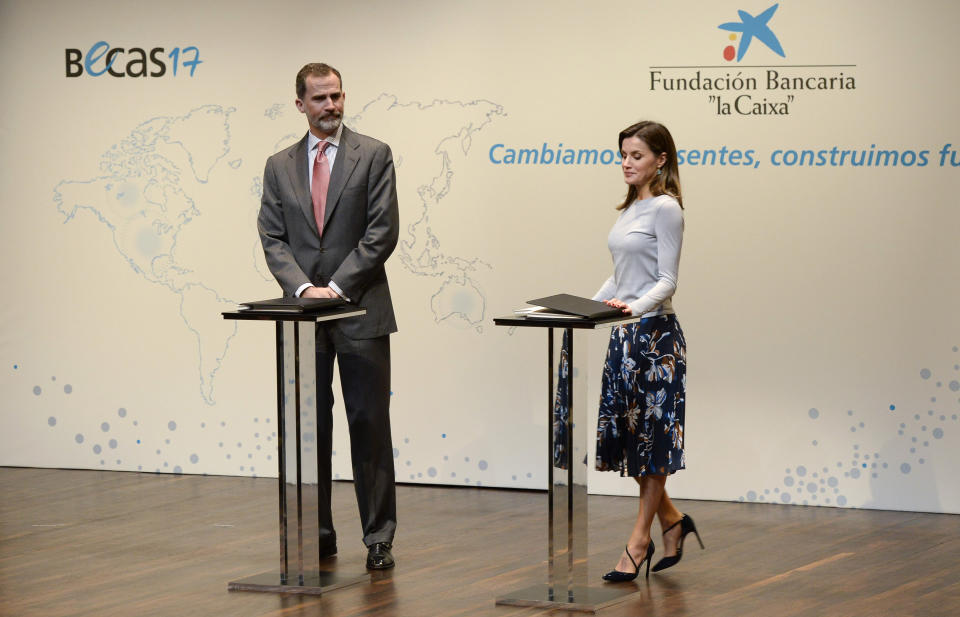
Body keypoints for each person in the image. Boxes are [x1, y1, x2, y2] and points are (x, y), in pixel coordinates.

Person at [258, 62, 400, 570]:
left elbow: (382, 232)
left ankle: (378, 537)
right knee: (308, 429)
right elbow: (272, 237)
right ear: (300, 104)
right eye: (320, 99)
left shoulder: (374, 155)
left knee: (368, 424)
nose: (331, 106)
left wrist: (336, 288)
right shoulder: (278, 165)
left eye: (337, 96)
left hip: (360, 309)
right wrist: (302, 288)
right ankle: (317, 533)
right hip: (302, 318)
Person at [593, 121, 704, 581]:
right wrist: (588, 306)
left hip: (656, 339)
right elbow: (620, 277)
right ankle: (673, 521)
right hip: (624, 338)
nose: (626, 162)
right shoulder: (628, 210)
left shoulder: (666, 209)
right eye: (623, 154)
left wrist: (630, 310)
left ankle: (639, 542)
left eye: (636, 155)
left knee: (652, 445)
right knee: (629, 442)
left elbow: (666, 281)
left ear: (661, 159)